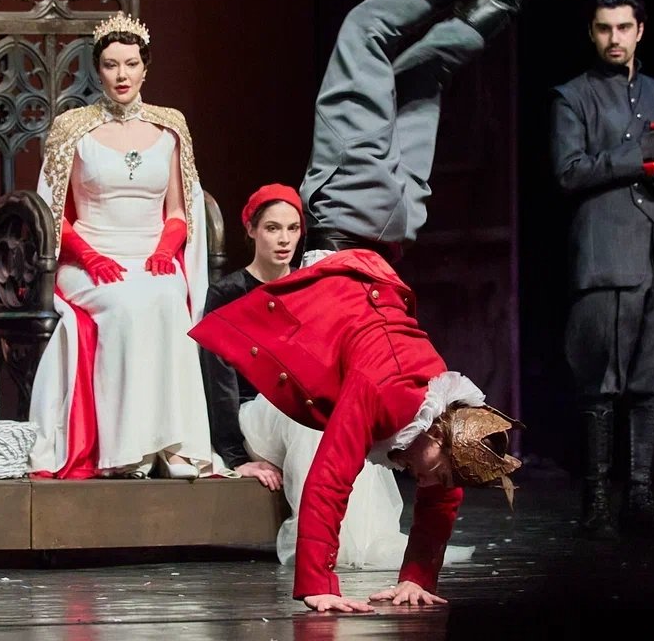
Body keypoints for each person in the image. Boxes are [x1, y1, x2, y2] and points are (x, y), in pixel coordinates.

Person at [191, 0, 579, 612]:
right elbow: (332, 476)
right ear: (439, 434)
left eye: (446, 475)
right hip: (355, 213)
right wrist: (318, 584)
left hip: (398, 222)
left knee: (422, 72)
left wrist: (417, 577)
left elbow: (443, 486)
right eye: (441, 469)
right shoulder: (394, 401)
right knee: (365, 33)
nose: (436, 482)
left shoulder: (442, 412)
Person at [201, 184, 474, 571]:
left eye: (293, 229)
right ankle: (326, 551)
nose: (284, 239)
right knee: (315, 419)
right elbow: (219, 381)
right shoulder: (228, 291)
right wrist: (236, 457)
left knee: (335, 415)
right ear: (251, 230)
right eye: (273, 228)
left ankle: (357, 541)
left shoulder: (310, 284)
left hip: (305, 406)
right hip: (256, 414)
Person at [29, 11, 219, 480]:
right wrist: (89, 255)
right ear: (98, 69)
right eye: (111, 64)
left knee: (169, 301)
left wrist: (164, 249)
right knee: (128, 305)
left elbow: (180, 210)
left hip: (151, 257)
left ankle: (175, 447)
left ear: (145, 68)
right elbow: (52, 212)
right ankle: (127, 450)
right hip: (89, 258)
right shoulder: (72, 128)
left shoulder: (170, 127)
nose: (121, 74)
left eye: (131, 64)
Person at [551, 0, 654, 539]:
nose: (613, 38)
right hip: (606, 257)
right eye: (603, 28)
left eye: (623, 27)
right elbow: (568, 171)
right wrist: (634, 157)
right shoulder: (573, 96)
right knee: (600, 383)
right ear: (592, 33)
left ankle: (639, 499)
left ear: (640, 31)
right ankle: (596, 504)